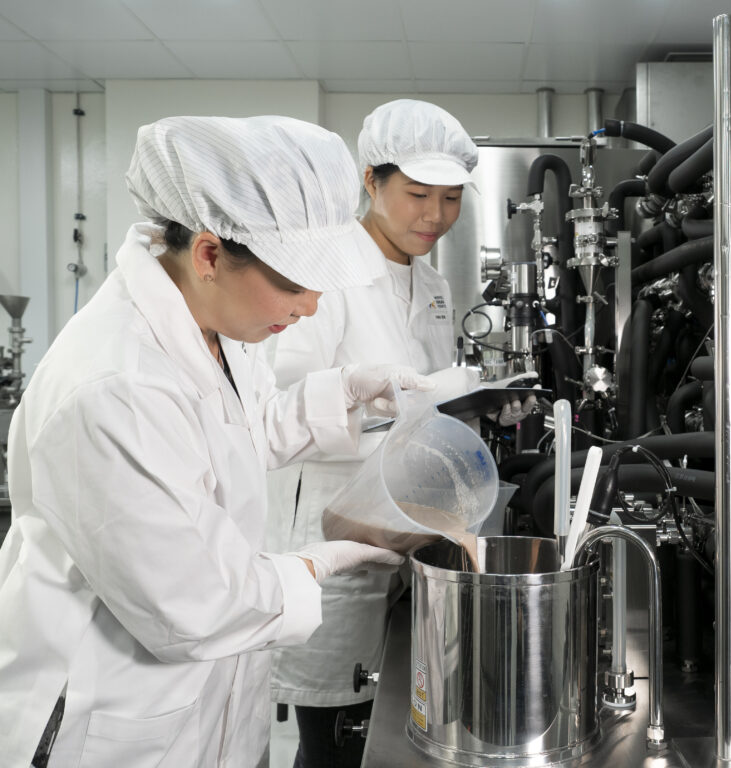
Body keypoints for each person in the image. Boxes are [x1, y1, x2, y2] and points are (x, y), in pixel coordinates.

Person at [0, 115, 433, 768]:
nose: (312, 306)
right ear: (208, 253)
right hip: (103, 720)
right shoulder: (110, 385)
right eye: (294, 282)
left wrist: (342, 391)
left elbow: (230, 433)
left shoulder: (212, 319)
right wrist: (320, 563)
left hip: (208, 701)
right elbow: (194, 605)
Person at [266, 100, 534, 768]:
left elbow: (426, 394)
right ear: (370, 182)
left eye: (450, 199)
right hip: (332, 534)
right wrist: (362, 392)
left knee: (393, 719)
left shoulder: (434, 283)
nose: (434, 216)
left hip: (410, 524)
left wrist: (477, 404)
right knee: (333, 737)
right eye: (416, 194)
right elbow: (278, 405)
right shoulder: (322, 274)